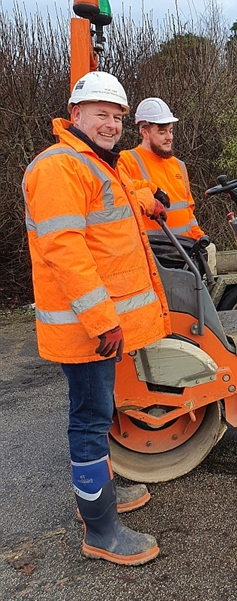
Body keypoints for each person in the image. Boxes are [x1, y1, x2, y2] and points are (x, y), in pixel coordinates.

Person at [22, 71, 171, 566]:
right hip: (87, 329)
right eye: (101, 114)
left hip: (99, 327)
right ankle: (101, 531)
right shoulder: (59, 167)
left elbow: (125, 196)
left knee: (100, 413)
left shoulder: (95, 163)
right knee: (89, 421)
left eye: (116, 117)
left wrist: (154, 202)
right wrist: (103, 319)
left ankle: (102, 495)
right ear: (76, 115)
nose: (110, 124)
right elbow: (65, 250)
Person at [118, 97, 205, 240]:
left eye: (170, 131)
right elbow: (119, 191)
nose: (169, 137)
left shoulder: (179, 165)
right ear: (145, 133)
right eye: (162, 132)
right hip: (156, 254)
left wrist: (200, 238)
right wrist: (152, 189)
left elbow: (188, 210)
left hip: (187, 251)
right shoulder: (127, 160)